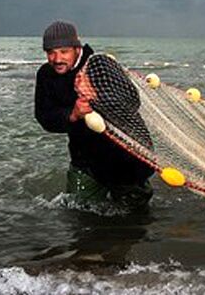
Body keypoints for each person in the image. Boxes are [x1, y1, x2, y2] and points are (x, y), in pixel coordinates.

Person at [34, 20, 154, 210]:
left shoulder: (100, 64)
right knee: (79, 211)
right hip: (84, 159)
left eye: (63, 51)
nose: (56, 58)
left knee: (136, 216)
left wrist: (97, 97)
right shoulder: (45, 75)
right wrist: (72, 114)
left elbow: (132, 100)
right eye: (50, 52)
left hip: (124, 156)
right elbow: (44, 116)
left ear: (76, 48)